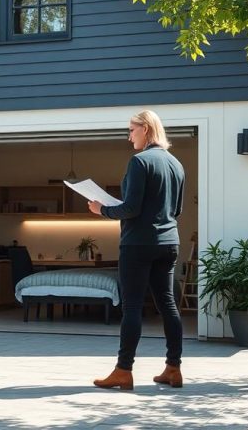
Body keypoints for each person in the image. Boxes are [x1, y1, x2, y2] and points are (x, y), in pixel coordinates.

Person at [88, 110, 185, 391]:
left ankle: (123, 371)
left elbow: (131, 208)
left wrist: (102, 209)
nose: (129, 135)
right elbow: (176, 209)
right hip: (168, 243)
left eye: (131, 130)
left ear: (145, 129)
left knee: (131, 306)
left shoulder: (140, 161)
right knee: (168, 304)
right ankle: (173, 368)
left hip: (138, 244)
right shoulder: (176, 164)